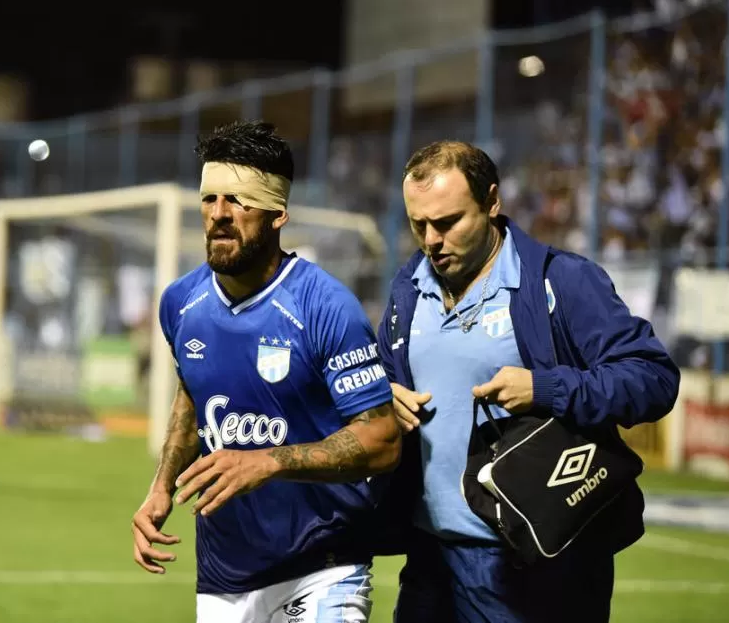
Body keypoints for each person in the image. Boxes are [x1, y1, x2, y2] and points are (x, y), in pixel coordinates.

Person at [376, 141, 680, 623]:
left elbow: (653, 378)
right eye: (419, 225)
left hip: (533, 566)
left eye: (448, 222)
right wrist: (384, 399)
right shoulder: (408, 286)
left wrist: (546, 388)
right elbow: (385, 381)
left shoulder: (563, 282)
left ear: (492, 201)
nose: (431, 240)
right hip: (430, 559)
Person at [131, 120, 401, 623]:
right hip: (222, 578)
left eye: (238, 201)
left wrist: (270, 461)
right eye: (210, 199)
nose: (219, 215)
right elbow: (192, 395)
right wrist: (162, 485)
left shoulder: (326, 308)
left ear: (277, 213)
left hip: (322, 568)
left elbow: (383, 439)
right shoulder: (181, 304)